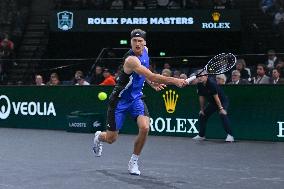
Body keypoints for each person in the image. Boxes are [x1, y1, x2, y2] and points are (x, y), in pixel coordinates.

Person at [93, 29, 187, 175]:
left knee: (145, 127)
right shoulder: (131, 60)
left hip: (136, 98)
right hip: (119, 101)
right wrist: (175, 80)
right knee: (111, 139)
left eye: (140, 41)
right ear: (131, 42)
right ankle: (99, 136)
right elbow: (151, 75)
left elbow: (146, 74)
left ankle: (133, 161)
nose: (137, 43)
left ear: (144, 43)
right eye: (134, 41)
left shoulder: (146, 52)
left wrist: (150, 82)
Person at [192, 70, 234, 142]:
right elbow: (201, 97)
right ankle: (201, 135)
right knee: (202, 115)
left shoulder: (211, 83)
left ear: (206, 76)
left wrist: (221, 108)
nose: (199, 78)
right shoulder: (199, 84)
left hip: (222, 101)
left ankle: (230, 136)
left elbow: (216, 98)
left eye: (201, 76)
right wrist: (202, 109)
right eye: (198, 76)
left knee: (222, 114)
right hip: (213, 103)